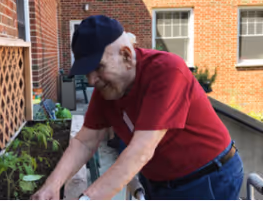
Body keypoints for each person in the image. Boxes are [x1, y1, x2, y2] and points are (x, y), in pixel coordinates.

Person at [31, 15, 244, 200]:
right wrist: (52, 186)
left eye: (98, 68)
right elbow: (85, 142)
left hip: (207, 178)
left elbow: (140, 151)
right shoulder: (107, 90)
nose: (91, 80)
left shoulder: (167, 71)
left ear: (126, 55)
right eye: (87, 72)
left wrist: (87, 198)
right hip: (158, 182)